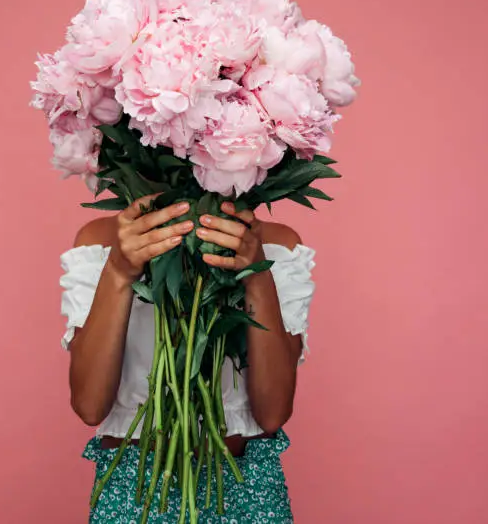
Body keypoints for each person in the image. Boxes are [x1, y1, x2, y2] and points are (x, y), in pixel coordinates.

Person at [59, 194, 316, 522]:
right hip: (134, 492)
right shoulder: (104, 242)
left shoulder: (275, 244)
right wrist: (119, 273)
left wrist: (257, 275)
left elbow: (273, 413)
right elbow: (89, 406)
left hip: (247, 490)